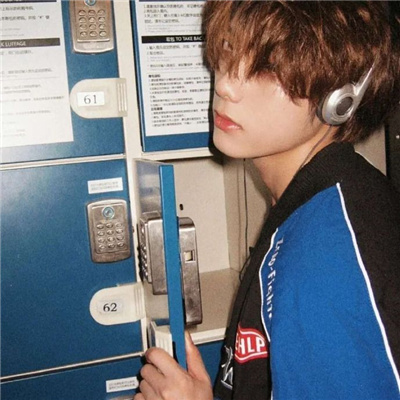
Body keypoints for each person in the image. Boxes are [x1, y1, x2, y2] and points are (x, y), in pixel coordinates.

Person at [134, 1, 400, 399]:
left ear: (340, 99)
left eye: (267, 68)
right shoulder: (323, 198)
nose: (225, 85)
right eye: (228, 48)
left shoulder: (322, 260)